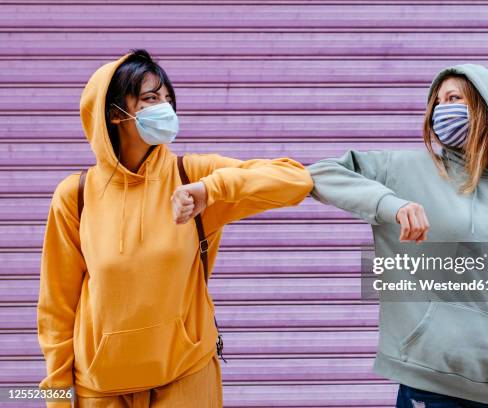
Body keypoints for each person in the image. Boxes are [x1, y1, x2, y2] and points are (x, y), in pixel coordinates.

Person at [37, 49, 313, 407]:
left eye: (168, 98)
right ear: (113, 113)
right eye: (151, 98)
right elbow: (56, 309)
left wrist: (210, 190)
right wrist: (57, 398)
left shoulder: (191, 177)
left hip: (185, 378)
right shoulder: (76, 197)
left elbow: (295, 180)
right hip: (101, 389)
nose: (164, 108)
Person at [308, 64, 488, 407]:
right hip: (431, 385)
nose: (442, 110)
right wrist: (391, 205)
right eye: (437, 102)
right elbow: (320, 174)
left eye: (454, 98)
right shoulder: (404, 171)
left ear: (486, 107)